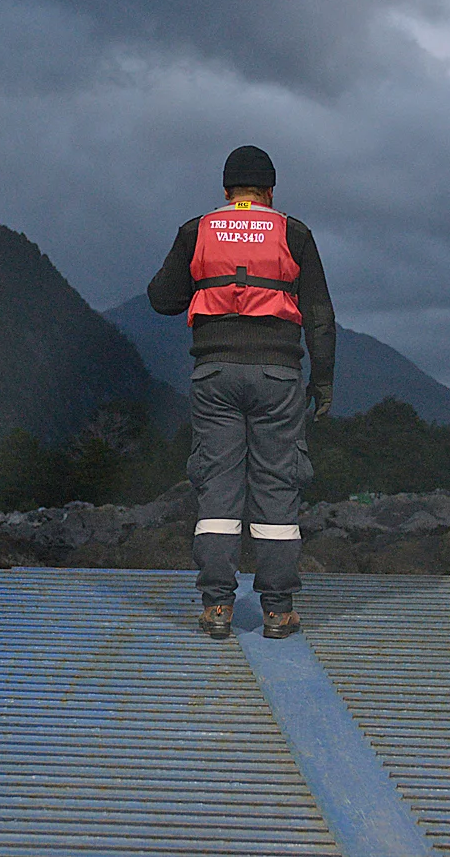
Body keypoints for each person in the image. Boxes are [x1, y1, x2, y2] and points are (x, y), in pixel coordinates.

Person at [147, 145, 335, 639]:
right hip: (277, 375)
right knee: (277, 486)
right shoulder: (293, 232)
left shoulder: (198, 230)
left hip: (214, 375)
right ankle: (276, 610)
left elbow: (161, 299)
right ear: (270, 192)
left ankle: (217, 609)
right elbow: (319, 315)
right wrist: (323, 380)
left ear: (225, 191)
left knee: (219, 486)